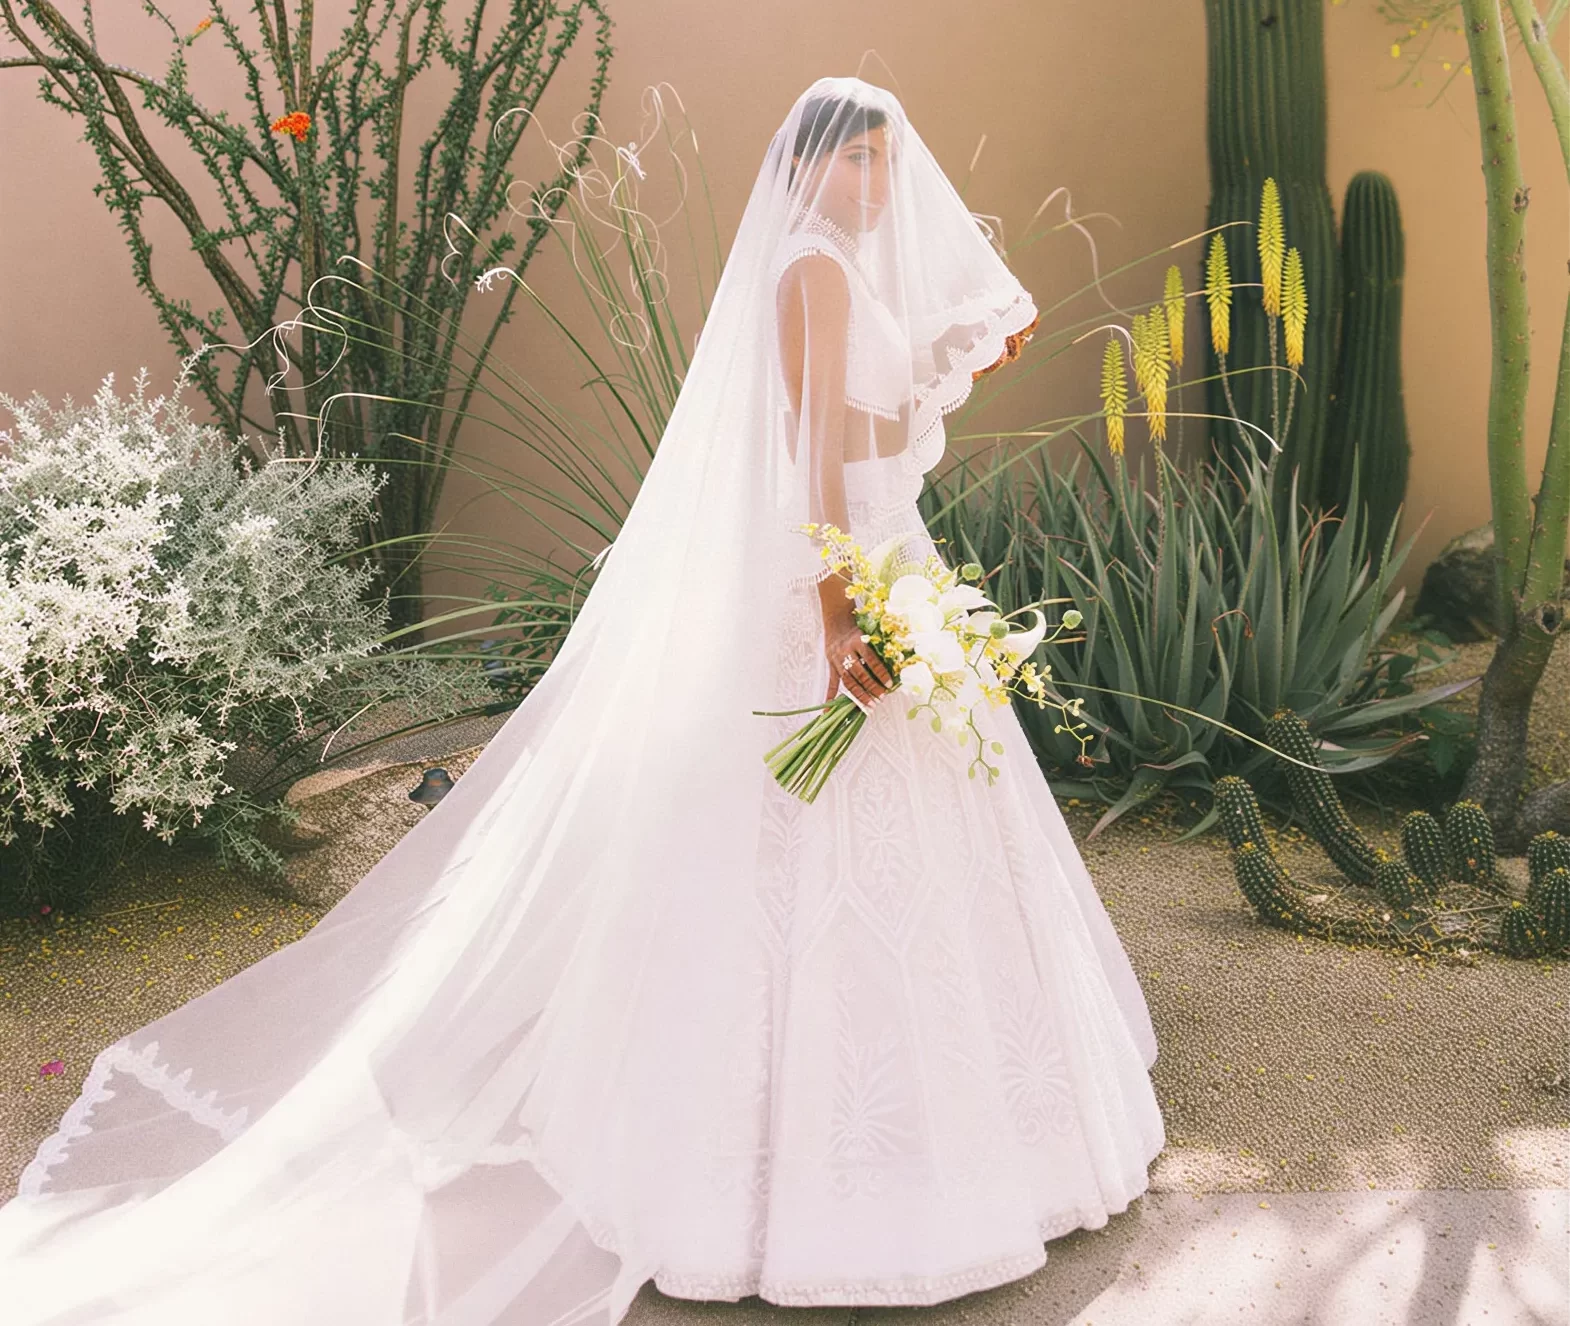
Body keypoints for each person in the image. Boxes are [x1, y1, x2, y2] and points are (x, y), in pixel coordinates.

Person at [0, 76, 1164, 1324]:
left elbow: (865, 422)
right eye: (860, 165)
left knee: (907, 844)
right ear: (809, 172)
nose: (881, 187)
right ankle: (775, 1151)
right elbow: (815, 448)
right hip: (835, 569)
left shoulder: (847, 275)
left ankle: (933, 1119)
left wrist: (961, 362)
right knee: (797, 845)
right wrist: (839, 606)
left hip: (882, 552)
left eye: (889, 166)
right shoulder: (813, 270)